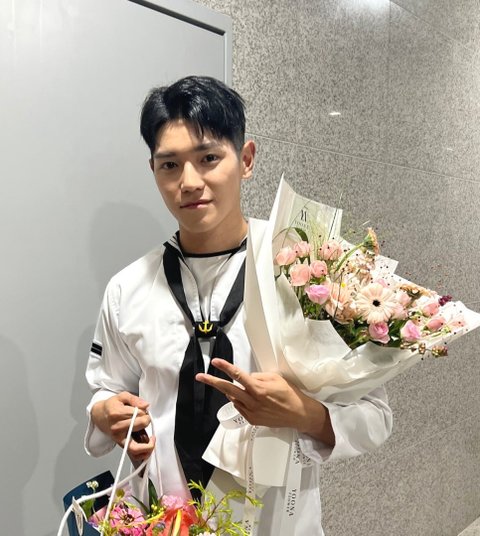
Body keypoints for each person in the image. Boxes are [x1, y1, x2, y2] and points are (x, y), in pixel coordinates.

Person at [85, 75, 393, 535]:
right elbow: (107, 388)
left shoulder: (306, 273)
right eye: (170, 165)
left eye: (209, 158)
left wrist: (303, 414)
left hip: (276, 522)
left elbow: (376, 415)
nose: (189, 182)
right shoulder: (127, 289)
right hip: (163, 519)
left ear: (245, 159)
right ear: (153, 170)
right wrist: (105, 413)